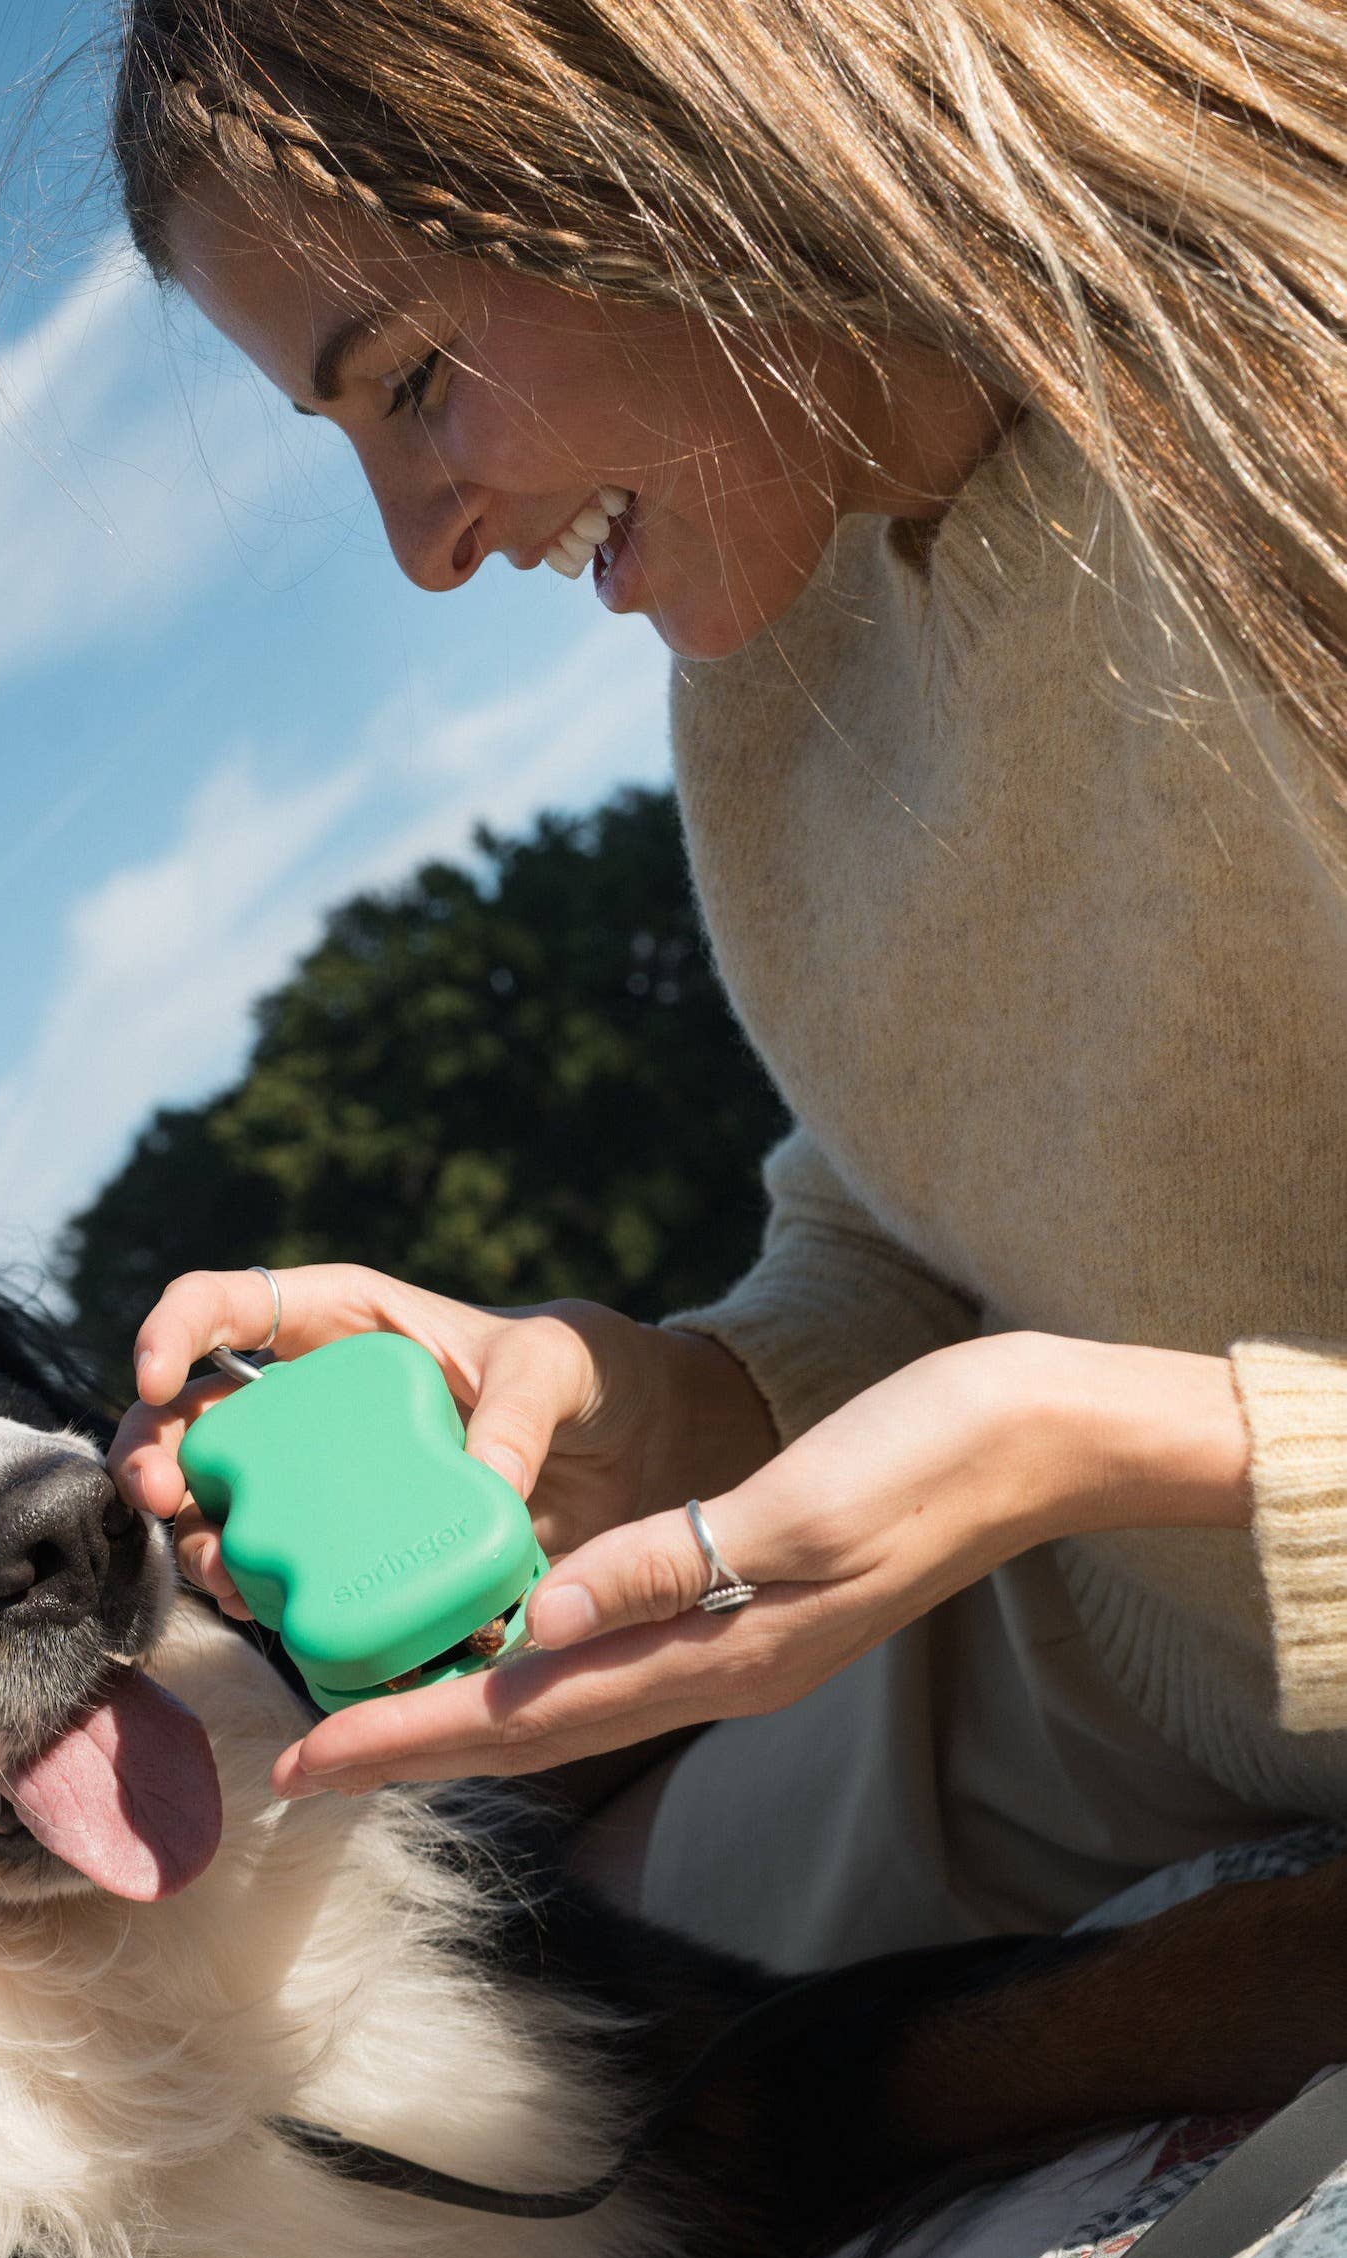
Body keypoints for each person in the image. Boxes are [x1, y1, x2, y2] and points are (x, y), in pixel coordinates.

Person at [78, 0, 1347, 1969]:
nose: (421, 551)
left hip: (1193, 1598)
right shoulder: (781, 644)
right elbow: (932, 1207)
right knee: (514, 1996)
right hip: (1128, 1665)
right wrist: (644, 1407)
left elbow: (1041, 1398)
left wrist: (1077, 1448)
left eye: (413, 384)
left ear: (674, 142)